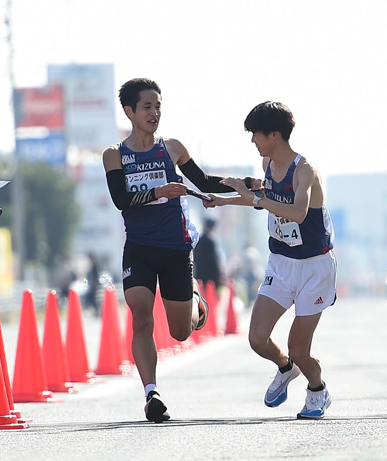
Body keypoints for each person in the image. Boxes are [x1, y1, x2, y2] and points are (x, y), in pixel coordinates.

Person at [102, 78, 234, 423]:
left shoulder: (172, 147)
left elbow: (203, 182)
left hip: (176, 248)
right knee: (141, 317)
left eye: (158, 106)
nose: (154, 112)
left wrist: (245, 185)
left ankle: (194, 298)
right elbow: (121, 200)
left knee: (180, 332)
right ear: (129, 111)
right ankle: (151, 393)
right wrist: (160, 192)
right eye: (147, 106)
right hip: (139, 249)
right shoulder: (114, 155)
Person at [205, 101, 337, 419]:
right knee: (257, 338)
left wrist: (256, 198)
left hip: (314, 268)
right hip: (281, 262)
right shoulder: (268, 164)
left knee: (299, 348)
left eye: (256, 134)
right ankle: (285, 368)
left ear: (274, 135)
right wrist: (221, 200)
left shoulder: (306, 171)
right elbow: (262, 197)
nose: (253, 141)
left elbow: (297, 211)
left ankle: (317, 391)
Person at [193, 218, 223, 288]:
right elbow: (214, 260)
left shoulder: (198, 240)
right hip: (210, 276)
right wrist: (218, 275)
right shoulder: (210, 241)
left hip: (199, 274)